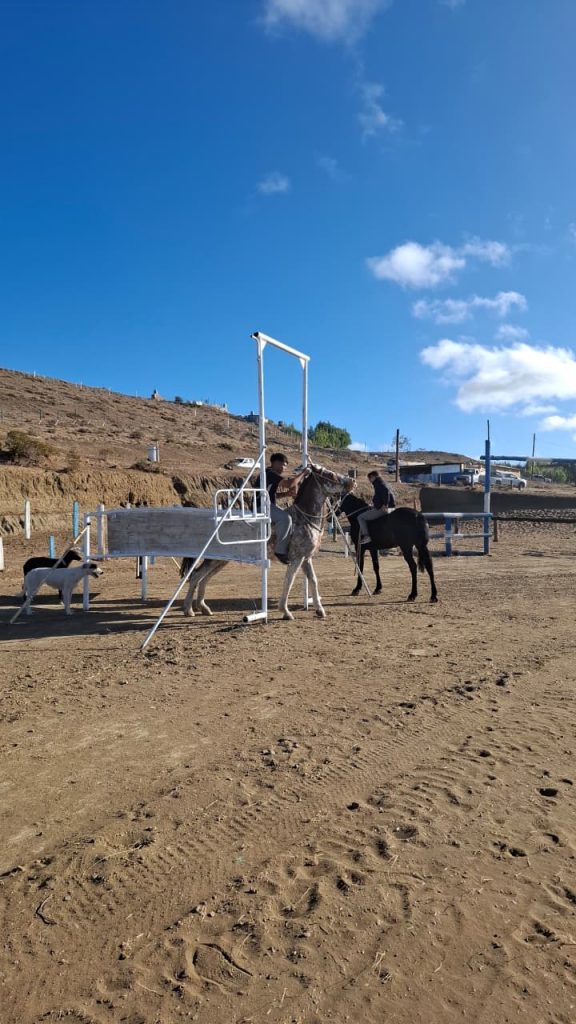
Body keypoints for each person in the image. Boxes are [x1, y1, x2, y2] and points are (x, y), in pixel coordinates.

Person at [255, 453, 304, 564]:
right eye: (282, 465)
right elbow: (290, 484)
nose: (284, 468)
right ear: (275, 463)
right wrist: (303, 473)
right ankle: (280, 551)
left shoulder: (268, 474)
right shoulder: (270, 473)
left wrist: (286, 494)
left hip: (267, 504)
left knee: (290, 516)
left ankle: (285, 545)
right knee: (285, 518)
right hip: (262, 506)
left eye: (286, 466)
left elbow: (272, 495)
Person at [357, 470, 395, 545]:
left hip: (383, 509)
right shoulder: (384, 483)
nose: (369, 481)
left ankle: (367, 536)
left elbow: (386, 492)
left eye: (369, 478)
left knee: (360, 517)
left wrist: (385, 505)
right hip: (391, 508)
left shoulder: (379, 484)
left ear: (373, 477)